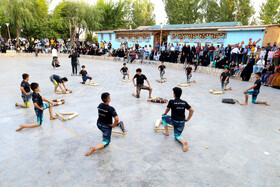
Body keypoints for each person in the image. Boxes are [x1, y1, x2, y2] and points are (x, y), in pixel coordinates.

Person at [161, 87, 194, 152]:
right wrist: (187, 119)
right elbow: (192, 110)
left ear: (174, 94)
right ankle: (184, 142)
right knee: (177, 135)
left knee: (163, 117)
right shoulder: (184, 102)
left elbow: (167, 109)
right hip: (181, 123)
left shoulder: (171, 101)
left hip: (173, 121)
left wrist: (164, 113)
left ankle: (166, 132)